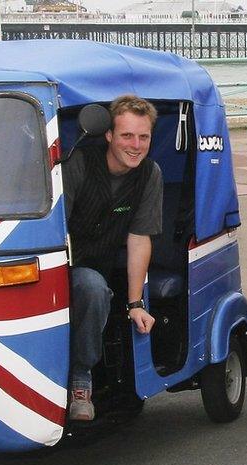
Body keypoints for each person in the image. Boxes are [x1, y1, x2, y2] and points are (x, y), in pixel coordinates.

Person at [62, 95, 163, 421]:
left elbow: (139, 238)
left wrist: (136, 304)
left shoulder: (149, 175)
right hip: (57, 262)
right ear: (108, 135)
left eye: (143, 137)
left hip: (93, 270)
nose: (136, 145)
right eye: (126, 136)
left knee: (93, 287)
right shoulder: (77, 163)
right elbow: (54, 225)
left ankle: (81, 380)